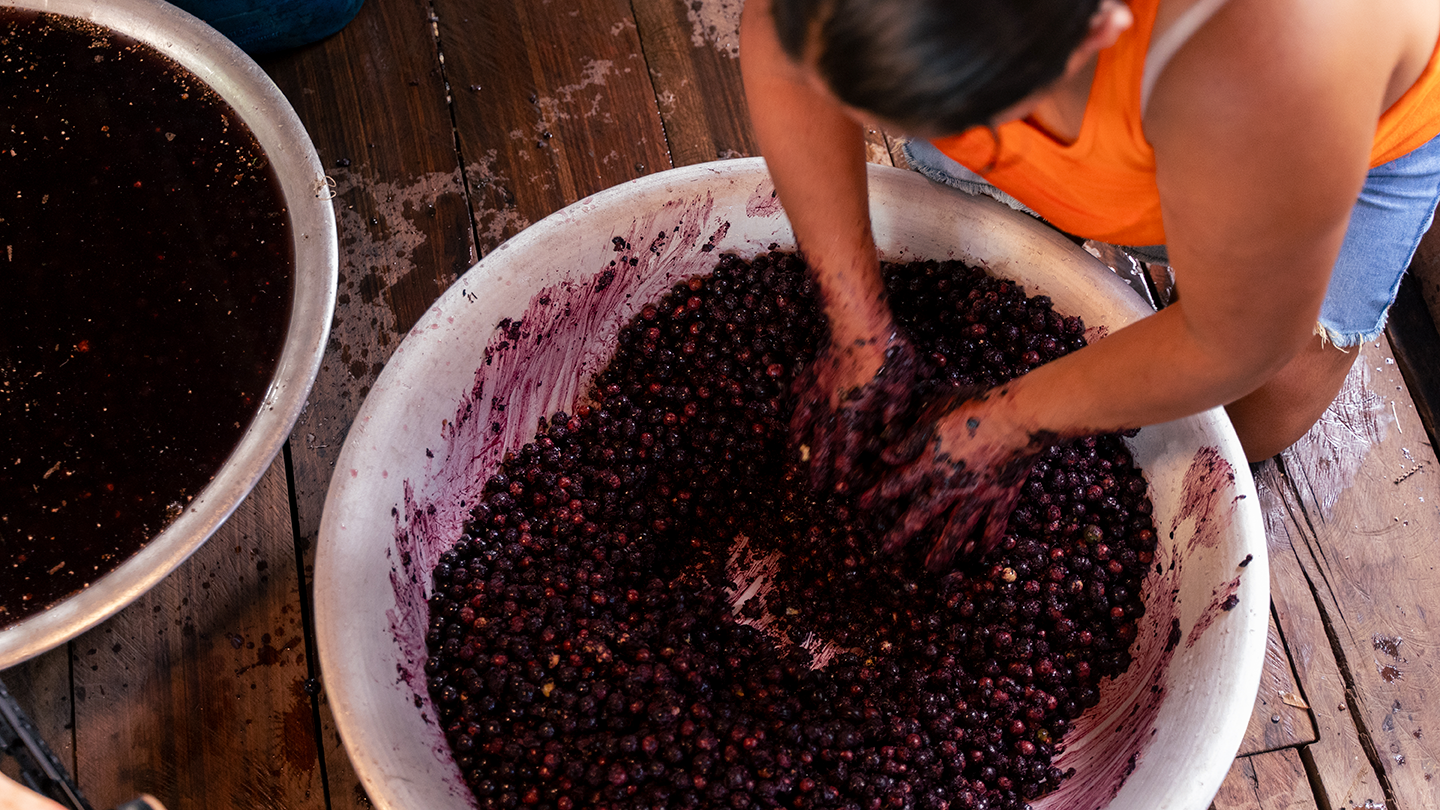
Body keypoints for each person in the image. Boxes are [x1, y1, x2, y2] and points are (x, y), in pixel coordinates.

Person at [739, 0, 1440, 566]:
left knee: (1252, 421)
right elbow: (786, 45)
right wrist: (859, 329)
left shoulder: (1285, 47)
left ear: (1097, 28)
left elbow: (1239, 340)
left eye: (963, 121)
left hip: (1338, 140)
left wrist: (1002, 427)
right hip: (1143, 102)